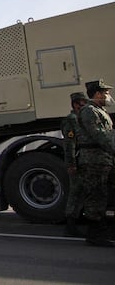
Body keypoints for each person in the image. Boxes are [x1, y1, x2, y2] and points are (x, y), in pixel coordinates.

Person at [75, 79, 115, 247]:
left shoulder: (99, 110)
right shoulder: (90, 111)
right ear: (97, 94)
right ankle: (95, 234)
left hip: (102, 159)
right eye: (105, 92)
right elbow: (100, 135)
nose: (108, 96)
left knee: (102, 194)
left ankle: (101, 230)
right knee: (96, 195)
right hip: (93, 160)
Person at [62, 92, 88, 237]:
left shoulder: (81, 118)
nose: (85, 105)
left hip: (84, 160)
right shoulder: (71, 120)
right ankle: (70, 225)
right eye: (83, 102)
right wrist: (71, 164)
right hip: (77, 161)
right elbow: (69, 144)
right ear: (76, 104)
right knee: (76, 192)